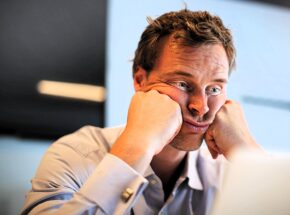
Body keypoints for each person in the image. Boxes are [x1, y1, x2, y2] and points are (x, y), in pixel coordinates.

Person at [21, 9, 260, 215]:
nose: (202, 106)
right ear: (140, 80)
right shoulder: (74, 154)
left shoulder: (231, 172)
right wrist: (138, 146)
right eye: (182, 84)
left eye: (214, 88)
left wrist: (248, 154)